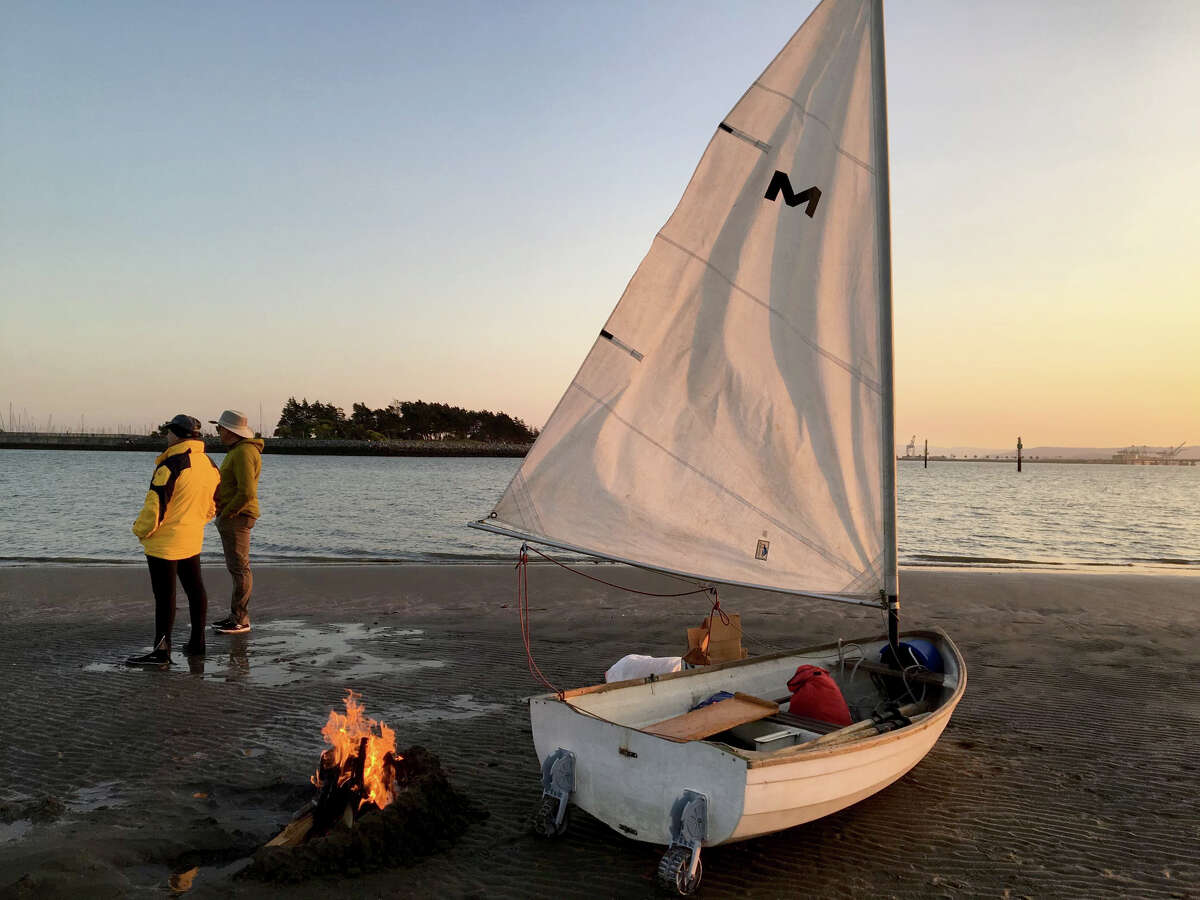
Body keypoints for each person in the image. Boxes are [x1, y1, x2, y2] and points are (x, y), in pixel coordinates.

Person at [127, 414, 221, 668]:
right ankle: (197, 643)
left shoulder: (171, 464)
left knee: (165, 596)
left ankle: (161, 652)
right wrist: (197, 522)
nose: (166, 436)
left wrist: (141, 530)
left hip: (165, 541)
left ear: (177, 434)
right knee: (195, 589)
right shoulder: (209, 464)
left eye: (168, 432)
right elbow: (214, 504)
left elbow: (155, 505)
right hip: (191, 536)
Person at [208, 409, 264, 634]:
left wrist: (227, 513)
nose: (218, 432)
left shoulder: (242, 453)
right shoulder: (239, 451)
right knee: (238, 569)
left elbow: (246, 492)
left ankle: (240, 618)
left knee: (240, 569)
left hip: (238, 517)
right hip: (237, 515)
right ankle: (237, 616)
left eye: (219, 428)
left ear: (231, 431)